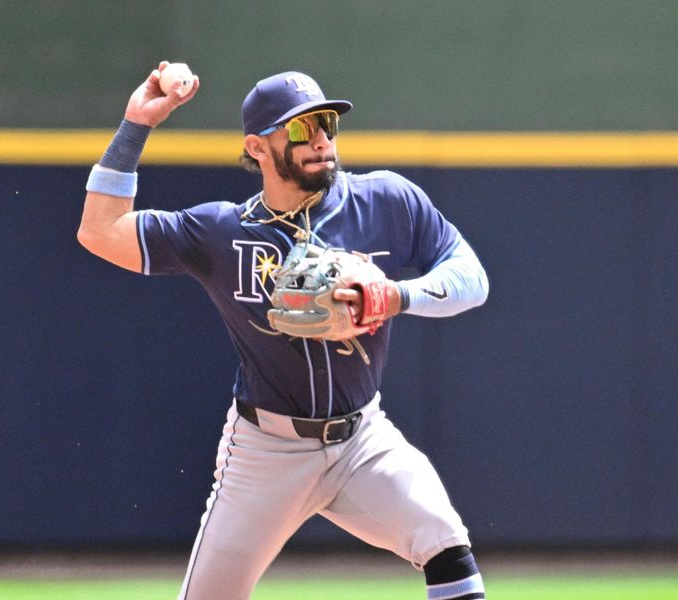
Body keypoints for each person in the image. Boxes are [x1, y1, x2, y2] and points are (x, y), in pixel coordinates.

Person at [77, 61, 490, 600]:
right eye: (299, 129)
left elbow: (472, 276)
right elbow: (99, 231)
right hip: (264, 451)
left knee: (446, 544)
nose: (319, 139)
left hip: (362, 439)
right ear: (256, 147)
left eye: (326, 124)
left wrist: (397, 294)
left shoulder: (385, 200)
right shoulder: (221, 231)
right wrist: (137, 123)